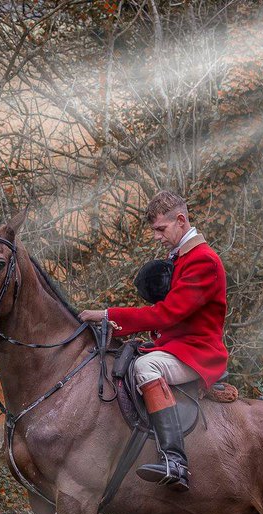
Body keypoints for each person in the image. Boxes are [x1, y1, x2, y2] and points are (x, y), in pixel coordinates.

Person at [79, 190, 229, 492]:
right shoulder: (182, 257)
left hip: (198, 354)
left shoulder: (204, 261)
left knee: (146, 367)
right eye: (155, 231)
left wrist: (109, 315)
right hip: (175, 348)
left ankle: (175, 461)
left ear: (181, 220)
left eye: (161, 229)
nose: (158, 237)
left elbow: (168, 314)